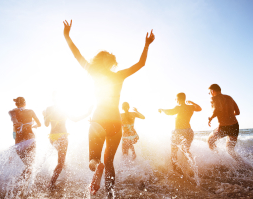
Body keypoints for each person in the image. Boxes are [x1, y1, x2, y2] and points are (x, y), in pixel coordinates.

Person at [63, 19, 155, 197]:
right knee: (110, 162)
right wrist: (146, 45)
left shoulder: (93, 71)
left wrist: (67, 35)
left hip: (98, 120)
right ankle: (110, 193)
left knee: (93, 159)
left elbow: (77, 54)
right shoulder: (119, 76)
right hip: (115, 122)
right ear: (112, 63)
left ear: (99, 61)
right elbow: (140, 64)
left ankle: (97, 167)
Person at [43, 92, 93, 189]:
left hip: (52, 137)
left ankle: (66, 175)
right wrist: (88, 113)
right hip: (62, 137)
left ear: (53, 99)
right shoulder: (63, 109)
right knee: (61, 161)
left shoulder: (48, 109)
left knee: (61, 158)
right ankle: (51, 183)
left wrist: (45, 116)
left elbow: (45, 124)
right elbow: (75, 119)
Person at [159, 93, 201, 174]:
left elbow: (170, 112)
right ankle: (192, 168)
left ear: (178, 99)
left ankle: (175, 169)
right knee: (186, 151)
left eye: (176, 99)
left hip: (179, 132)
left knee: (174, 150)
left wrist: (162, 109)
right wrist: (192, 102)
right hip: (189, 131)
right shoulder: (190, 107)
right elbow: (199, 108)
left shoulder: (178, 107)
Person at [207, 84, 244, 164]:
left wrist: (211, 118)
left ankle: (220, 161)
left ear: (212, 91)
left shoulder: (214, 98)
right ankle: (243, 164)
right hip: (234, 125)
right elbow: (237, 112)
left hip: (223, 127)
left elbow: (218, 109)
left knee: (210, 141)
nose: (209, 94)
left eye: (209, 92)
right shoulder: (229, 98)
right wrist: (229, 115)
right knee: (230, 150)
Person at [8, 97, 41, 181]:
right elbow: (39, 124)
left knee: (27, 165)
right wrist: (33, 125)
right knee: (30, 166)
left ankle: (19, 183)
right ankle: (22, 185)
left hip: (19, 144)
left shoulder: (12, 112)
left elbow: (14, 121)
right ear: (25, 103)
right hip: (30, 140)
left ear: (16, 104)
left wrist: (17, 124)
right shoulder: (31, 111)